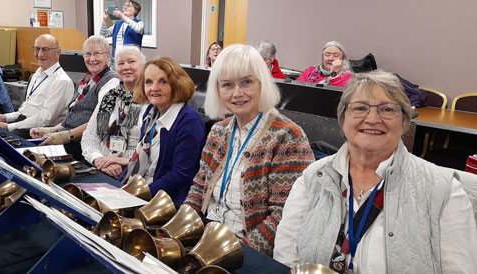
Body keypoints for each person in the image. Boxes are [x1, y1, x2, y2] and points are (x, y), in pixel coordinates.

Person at [274, 70, 477, 273]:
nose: (372, 118)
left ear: (404, 123)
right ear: (343, 120)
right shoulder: (313, 177)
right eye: (360, 108)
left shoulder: (445, 191)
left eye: (387, 109)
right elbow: (286, 256)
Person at [184, 44, 314, 256]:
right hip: (206, 239)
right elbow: (199, 187)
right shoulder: (218, 131)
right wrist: (182, 225)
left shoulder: (287, 137)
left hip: (247, 252)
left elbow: (283, 216)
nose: (237, 93)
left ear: (262, 83)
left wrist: (235, 252)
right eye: (227, 85)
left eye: (246, 82)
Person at [120, 56, 205, 204]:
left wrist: (136, 195)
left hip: (168, 202)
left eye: (163, 81)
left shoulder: (189, 121)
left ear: (176, 84)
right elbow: (138, 158)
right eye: (149, 82)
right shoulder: (151, 113)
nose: (154, 88)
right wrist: (119, 188)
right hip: (143, 190)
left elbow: (179, 175)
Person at [29, 35, 119, 160]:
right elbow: (74, 117)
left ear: (107, 56)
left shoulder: (111, 81)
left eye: (97, 54)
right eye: (88, 54)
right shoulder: (87, 80)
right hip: (68, 137)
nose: (92, 59)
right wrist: (50, 130)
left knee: (32, 157)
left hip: (82, 144)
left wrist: (64, 136)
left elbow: (99, 122)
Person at [0, 34, 74, 138]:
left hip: (37, 131)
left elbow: (45, 119)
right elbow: (25, 112)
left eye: (45, 50)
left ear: (58, 53)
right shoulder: (36, 75)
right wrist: (3, 117)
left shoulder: (62, 81)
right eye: (37, 49)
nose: (40, 54)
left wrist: (9, 126)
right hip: (23, 124)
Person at [81, 46, 147, 178]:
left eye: (131, 62)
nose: (126, 67)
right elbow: (89, 137)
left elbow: (151, 152)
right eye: (121, 63)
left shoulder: (150, 100)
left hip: (134, 172)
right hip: (102, 167)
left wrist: (121, 163)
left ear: (144, 67)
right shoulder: (109, 97)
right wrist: (99, 160)